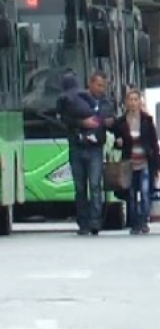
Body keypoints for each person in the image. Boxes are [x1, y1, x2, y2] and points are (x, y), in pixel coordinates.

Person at [58, 70, 115, 236]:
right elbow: (65, 119)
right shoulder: (75, 99)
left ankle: (95, 222)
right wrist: (81, 122)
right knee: (80, 187)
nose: (101, 89)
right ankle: (83, 223)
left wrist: (106, 122)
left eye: (104, 86)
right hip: (77, 147)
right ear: (89, 83)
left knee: (96, 186)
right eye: (98, 85)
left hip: (95, 149)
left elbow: (108, 119)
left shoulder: (106, 103)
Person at [112, 89, 160, 235]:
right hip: (129, 163)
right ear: (126, 103)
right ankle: (134, 224)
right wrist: (118, 142)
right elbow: (116, 141)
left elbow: (153, 143)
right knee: (131, 194)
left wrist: (157, 165)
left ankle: (143, 221)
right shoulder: (120, 122)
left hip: (145, 162)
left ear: (140, 102)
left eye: (135, 100)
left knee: (145, 193)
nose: (133, 103)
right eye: (130, 100)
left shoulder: (147, 120)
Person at [56, 71, 100, 145]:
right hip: (87, 111)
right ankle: (90, 135)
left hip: (73, 113)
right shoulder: (81, 91)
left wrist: (58, 114)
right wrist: (95, 109)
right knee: (91, 122)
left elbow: (59, 108)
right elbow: (91, 100)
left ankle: (80, 135)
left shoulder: (63, 95)